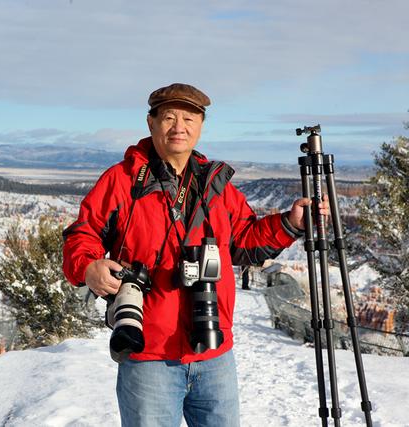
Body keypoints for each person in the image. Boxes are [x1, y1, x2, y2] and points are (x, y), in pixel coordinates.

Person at [62, 83, 328, 427]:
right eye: (169, 117)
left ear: (201, 125)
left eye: (189, 118)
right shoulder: (122, 180)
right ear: (151, 123)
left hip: (214, 350)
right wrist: (88, 267)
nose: (179, 127)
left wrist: (290, 223)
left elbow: (245, 240)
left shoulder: (215, 184)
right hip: (148, 356)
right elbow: (82, 234)